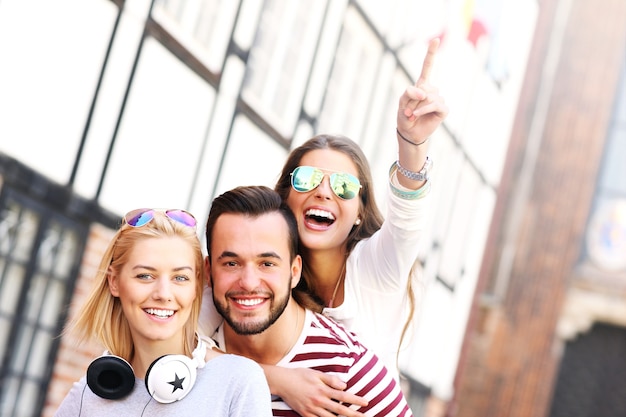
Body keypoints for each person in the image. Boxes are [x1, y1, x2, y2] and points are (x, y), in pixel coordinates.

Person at [205, 185, 413, 417]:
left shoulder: (347, 371)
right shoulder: (186, 347)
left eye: (267, 263)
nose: (249, 283)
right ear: (208, 271)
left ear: (294, 271)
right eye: (231, 264)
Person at [55, 208, 272, 417]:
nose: (163, 294)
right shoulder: (87, 396)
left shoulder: (237, 381)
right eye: (145, 276)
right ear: (114, 282)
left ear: (196, 286)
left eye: (180, 278)